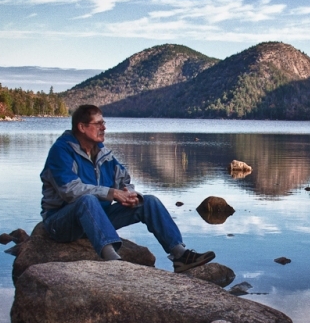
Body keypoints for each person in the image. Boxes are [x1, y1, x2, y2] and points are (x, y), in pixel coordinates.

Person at [40, 104, 215, 272]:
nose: (104, 127)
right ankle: (113, 260)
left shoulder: (102, 152)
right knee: (87, 200)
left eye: (104, 123)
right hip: (61, 222)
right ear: (82, 127)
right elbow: (70, 190)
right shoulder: (61, 151)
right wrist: (111, 193)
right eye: (98, 123)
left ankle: (180, 255)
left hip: (97, 219)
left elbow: (123, 179)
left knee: (148, 202)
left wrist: (129, 194)